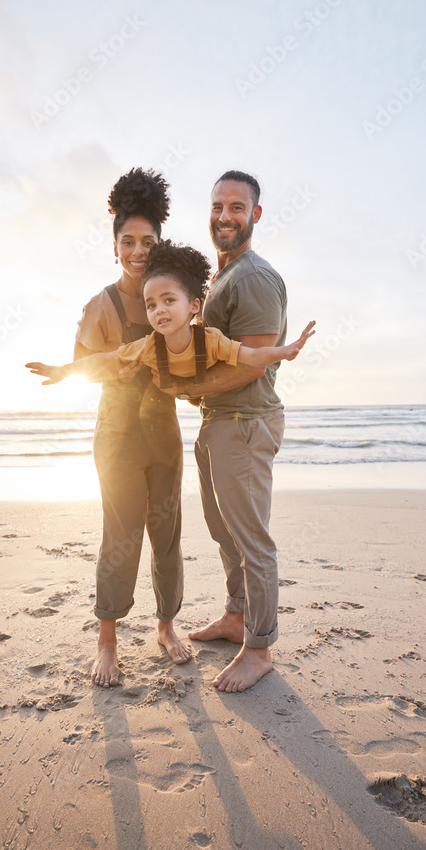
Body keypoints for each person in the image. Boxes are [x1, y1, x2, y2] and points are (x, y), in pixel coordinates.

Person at [25, 168, 191, 687]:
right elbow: (85, 368)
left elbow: (194, 360)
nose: (138, 250)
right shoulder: (100, 306)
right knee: (120, 535)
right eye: (128, 241)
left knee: (167, 532)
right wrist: (73, 368)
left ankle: (166, 626)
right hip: (117, 434)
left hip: (163, 431)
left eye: (148, 241)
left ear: (159, 244)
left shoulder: (172, 297)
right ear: (114, 245)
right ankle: (107, 639)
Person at [152, 171, 293, 693]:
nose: (225, 216)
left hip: (244, 424)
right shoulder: (222, 278)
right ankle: (237, 618)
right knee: (224, 533)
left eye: (237, 207)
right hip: (219, 422)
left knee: (251, 539)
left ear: (255, 215)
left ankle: (259, 647)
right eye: (217, 206)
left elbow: (253, 364)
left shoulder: (253, 278)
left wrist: (188, 389)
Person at [50, 239, 315, 387]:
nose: (159, 310)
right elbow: (102, 360)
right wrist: (65, 370)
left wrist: (287, 350)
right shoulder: (148, 347)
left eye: (168, 300)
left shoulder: (211, 340)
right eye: (151, 305)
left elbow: (254, 355)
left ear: (193, 306)